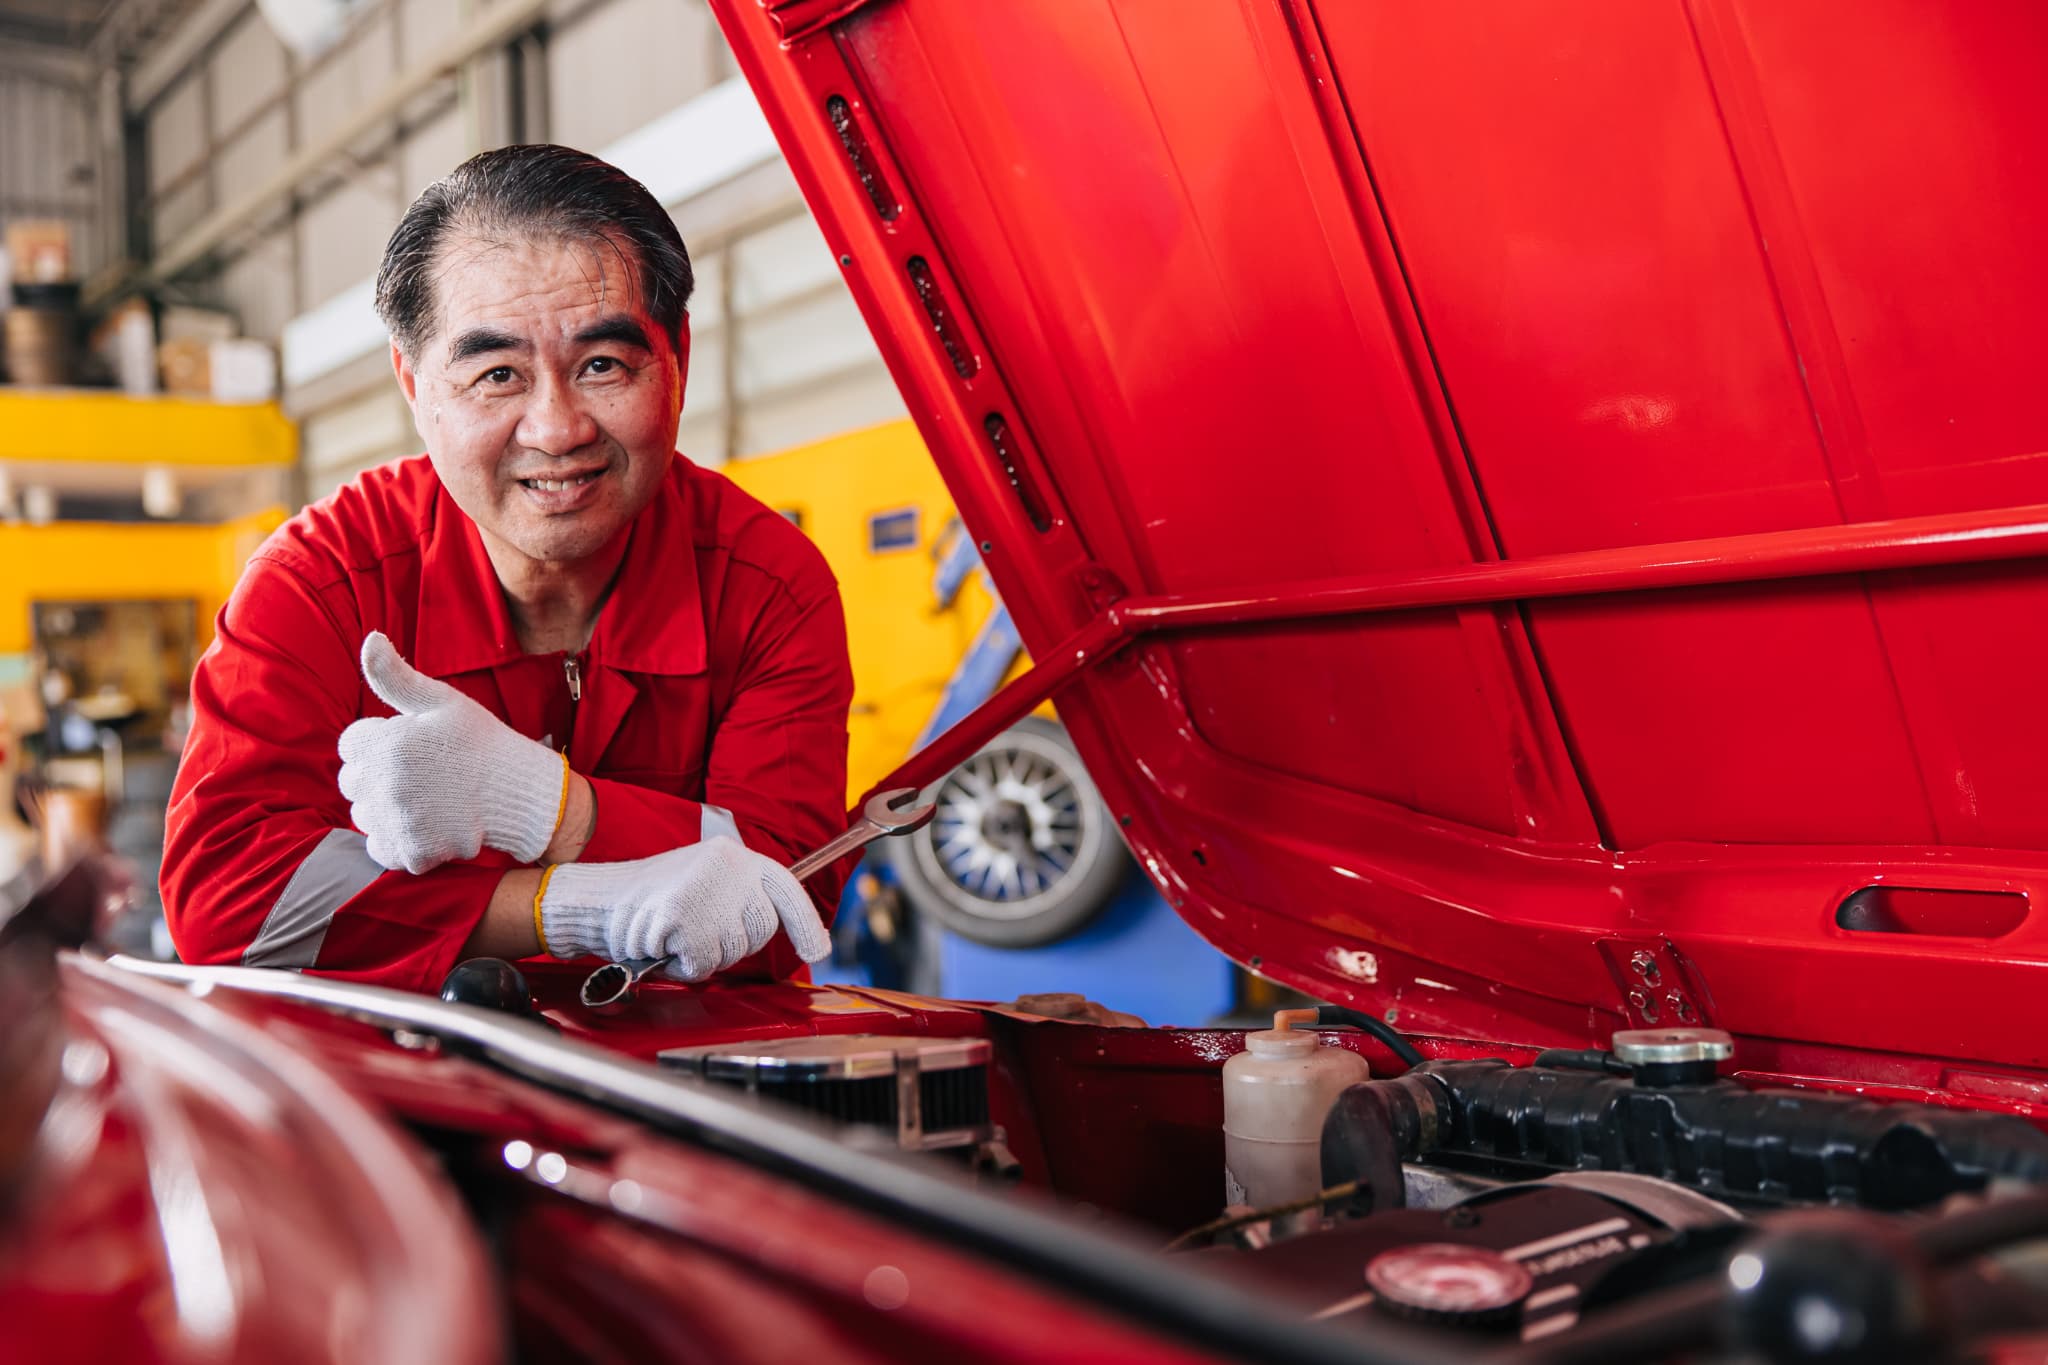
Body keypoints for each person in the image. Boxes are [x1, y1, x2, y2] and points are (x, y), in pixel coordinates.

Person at [161, 145, 852, 993]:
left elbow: (790, 899)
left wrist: (539, 802)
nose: (557, 428)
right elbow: (227, 904)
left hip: (696, 1082)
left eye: (603, 364)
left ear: (677, 359)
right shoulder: (319, 582)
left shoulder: (767, 584)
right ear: (414, 385)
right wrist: (571, 905)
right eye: (497, 374)